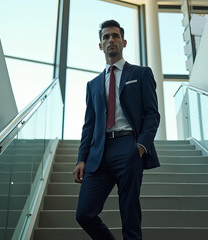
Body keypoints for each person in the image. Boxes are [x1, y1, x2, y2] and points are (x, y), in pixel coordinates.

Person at [73, 19, 160, 240]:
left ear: (124, 42)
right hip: (98, 152)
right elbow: (89, 125)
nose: (110, 39)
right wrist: (81, 158)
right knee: (84, 213)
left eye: (115, 36)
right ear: (100, 45)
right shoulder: (93, 84)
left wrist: (140, 146)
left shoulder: (140, 74)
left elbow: (152, 114)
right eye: (106, 37)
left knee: (130, 215)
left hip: (128, 146)